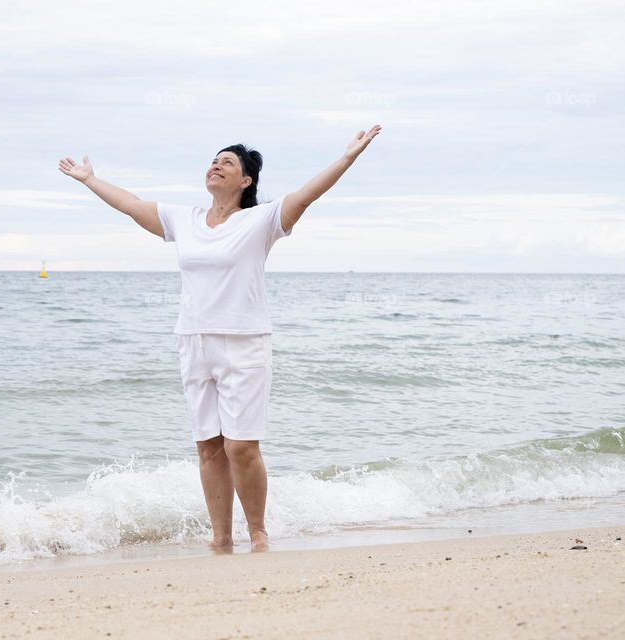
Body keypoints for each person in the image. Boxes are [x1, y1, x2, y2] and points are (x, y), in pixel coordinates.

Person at [57, 125, 382, 552]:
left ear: (246, 180)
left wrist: (347, 158)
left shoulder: (261, 219)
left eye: (227, 162)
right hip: (193, 341)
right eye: (214, 159)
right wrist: (90, 180)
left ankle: (259, 534)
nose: (216, 165)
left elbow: (306, 195)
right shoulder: (184, 219)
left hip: (245, 342)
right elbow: (133, 206)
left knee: (241, 446)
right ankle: (221, 538)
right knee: (210, 446)